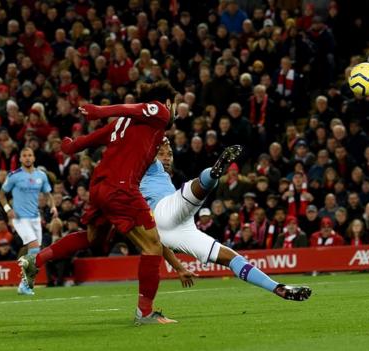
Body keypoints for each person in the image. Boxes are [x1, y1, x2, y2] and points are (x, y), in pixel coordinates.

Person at [19, 82, 189, 325]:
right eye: (176, 103)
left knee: (93, 239)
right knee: (152, 245)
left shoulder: (122, 125)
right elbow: (133, 108)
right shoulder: (159, 111)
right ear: (168, 102)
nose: (174, 110)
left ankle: (36, 260)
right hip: (122, 188)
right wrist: (99, 110)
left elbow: (85, 142)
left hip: (99, 187)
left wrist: (69, 145)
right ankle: (145, 313)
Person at [139, 140, 309, 300]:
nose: (167, 156)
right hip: (164, 211)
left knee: (232, 258)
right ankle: (213, 173)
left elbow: (159, 242)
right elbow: (146, 145)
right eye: (161, 153)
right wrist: (160, 128)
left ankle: (277, 288)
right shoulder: (149, 166)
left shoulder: (156, 178)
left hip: (173, 232)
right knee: (193, 190)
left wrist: (179, 268)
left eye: (169, 153)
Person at [0, 147, 57, 295]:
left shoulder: (41, 175)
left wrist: (54, 207)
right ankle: (26, 284)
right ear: (20, 159)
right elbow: (1, 195)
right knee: (34, 246)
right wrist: (7, 209)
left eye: (30, 155)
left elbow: (48, 193)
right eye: (24, 156)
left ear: (34, 158)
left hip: (35, 217)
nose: (27, 158)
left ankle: (23, 284)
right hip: (19, 218)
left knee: (35, 252)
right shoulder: (14, 176)